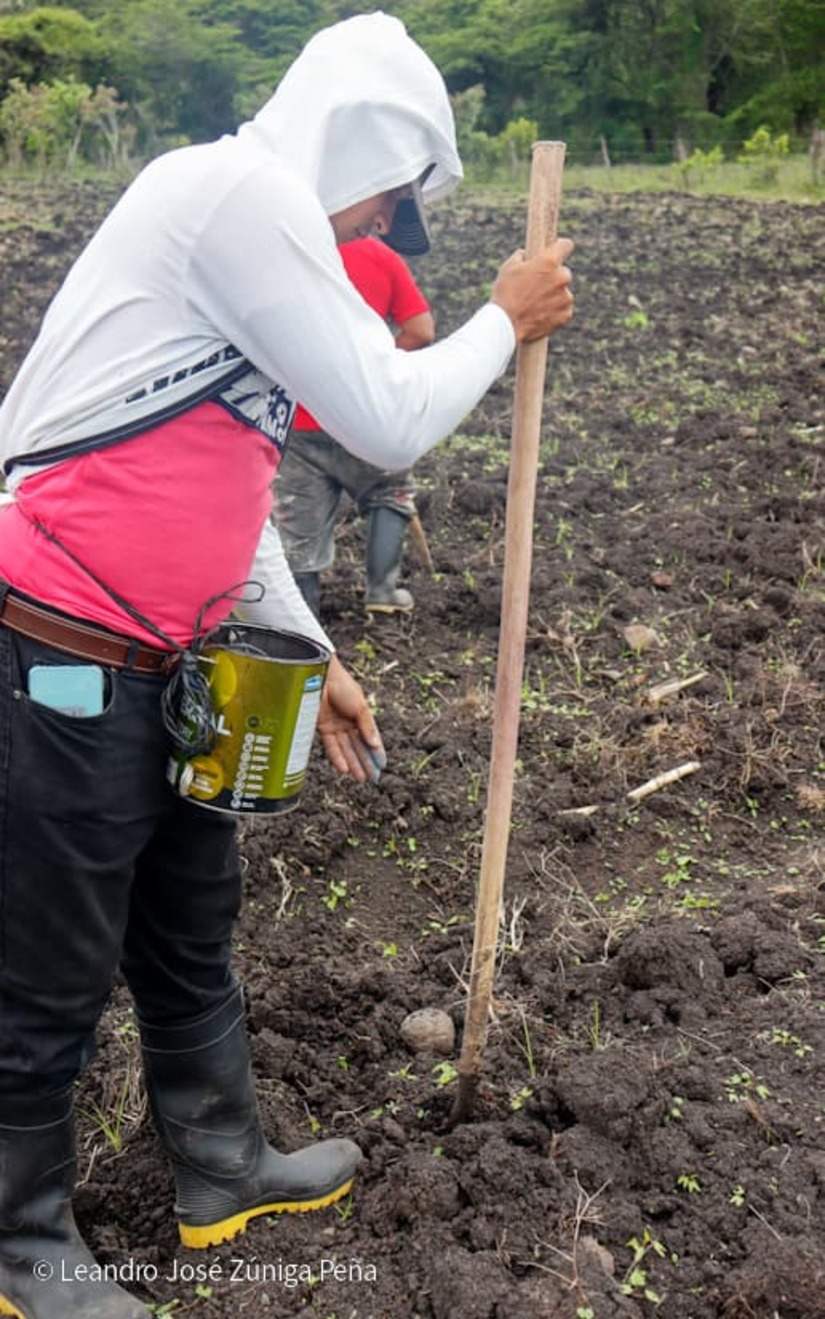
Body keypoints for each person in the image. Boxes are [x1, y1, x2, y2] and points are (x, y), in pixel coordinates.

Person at [0, 13, 573, 1318]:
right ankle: (21, 1240)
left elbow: (231, 499)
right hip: (64, 651)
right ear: (358, 143)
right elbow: (386, 418)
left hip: (179, 662)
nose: (381, 224)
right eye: (389, 196)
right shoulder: (236, 196)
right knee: (48, 963)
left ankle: (221, 1166)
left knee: (189, 925)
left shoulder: (258, 242)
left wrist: (318, 649)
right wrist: (502, 318)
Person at [275, 235, 435, 617]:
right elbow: (421, 330)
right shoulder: (380, 256)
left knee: (298, 522)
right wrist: (377, 366)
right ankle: (383, 591)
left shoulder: (290, 252)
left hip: (300, 415)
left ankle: (304, 616)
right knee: (389, 490)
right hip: (363, 412)